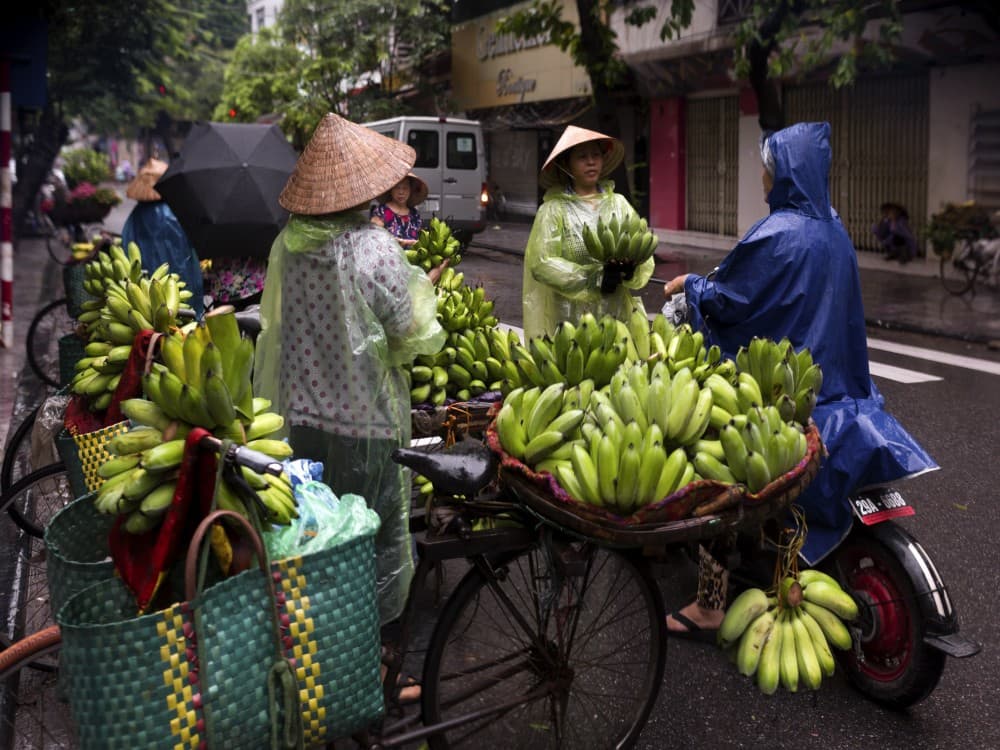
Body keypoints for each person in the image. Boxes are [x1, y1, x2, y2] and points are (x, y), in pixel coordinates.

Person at [662, 122, 937, 638]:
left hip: (785, 401)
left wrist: (691, 285)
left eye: (768, 169)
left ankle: (709, 605)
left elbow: (729, 300)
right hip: (844, 396)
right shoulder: (835, 230)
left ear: (785, 174)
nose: (764, 179)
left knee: (716, 480)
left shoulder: (777, 233)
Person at [253, 113, 446, 634]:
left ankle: (322, 637)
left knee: (320, 530)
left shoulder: (289, 248)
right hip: (368, 424)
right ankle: (373, 644)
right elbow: (408, 332)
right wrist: (428, 289)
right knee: (377, 532)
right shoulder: (374, 247)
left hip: (304, 420)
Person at [522, 125, 655, 340]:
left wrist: (631, 271)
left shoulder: (619, 204)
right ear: (567, 164)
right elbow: (542, 262)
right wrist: (592, 278)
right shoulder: (553, 209)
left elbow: (642, 251)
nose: (591, 162)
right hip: (570, 321)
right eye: (582, 157)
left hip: (616, 315)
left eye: (596, 155)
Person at [121, 157, 205, 317]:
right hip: (180, 274)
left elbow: (126, 243)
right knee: (183, 313)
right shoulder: (176, 212)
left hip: (145, 280)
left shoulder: (137, 214)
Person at [370, 173, 428, 247]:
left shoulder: (414, 214)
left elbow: (421, 239)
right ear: (391, 189)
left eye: (405, 188)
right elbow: (375, 238)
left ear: (410, 190)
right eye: (397, 187)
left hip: (412, 257)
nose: (401, 192)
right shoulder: (381, 211)